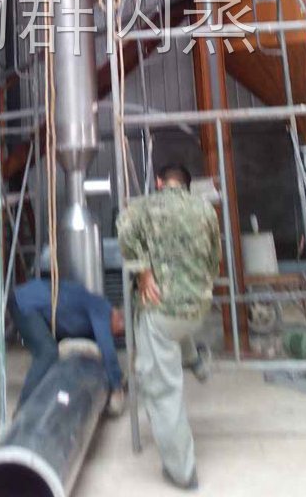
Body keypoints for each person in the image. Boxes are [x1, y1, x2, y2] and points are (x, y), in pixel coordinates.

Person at [117, 163, 221, 490]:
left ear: (160, 182)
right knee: (176, 328)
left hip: (161, 310)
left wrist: (143, 270)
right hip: (197, 308)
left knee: (162, 389)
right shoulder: (205, 209)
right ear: (187, 186)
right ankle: (196, 360)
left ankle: (182, 471)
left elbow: (123, 229)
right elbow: (214, 260)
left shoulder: (145, 206)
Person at [8, 277, 125, 415]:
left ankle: (44, 395)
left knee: (52, 353)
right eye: (118, 332)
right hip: (26, 301)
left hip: (32, 302)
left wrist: (116, 374)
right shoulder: (102, 308)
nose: (114, 335)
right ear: (118, 317)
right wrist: (116, 385)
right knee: (47, 352)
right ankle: (23, 410)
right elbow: (106, 346)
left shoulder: (91, 316)